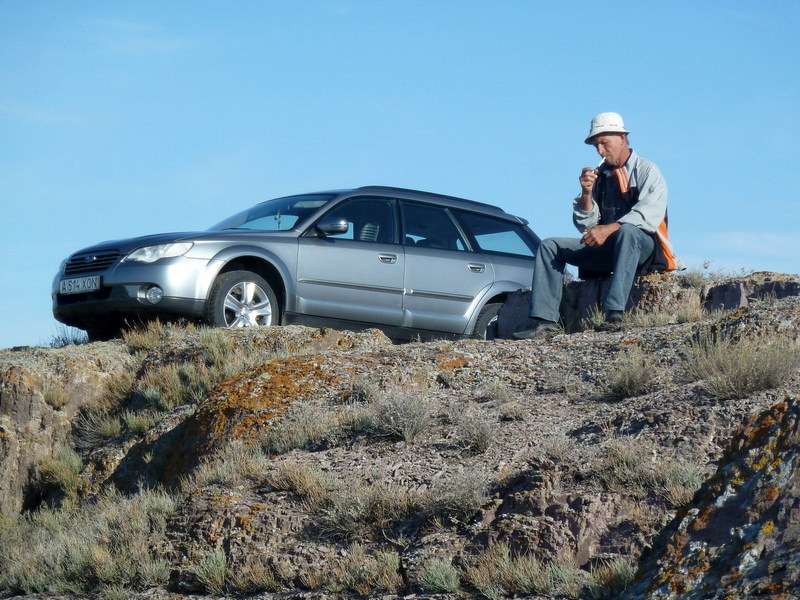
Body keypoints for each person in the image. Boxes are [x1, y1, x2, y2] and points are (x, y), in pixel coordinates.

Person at [513, 112, 680, 340]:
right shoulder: (599, 176)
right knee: (550, 245)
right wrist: (586, 193)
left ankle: (614, 313)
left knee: (629, 231)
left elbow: (649, 214)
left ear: (622, 138)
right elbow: (586, 226)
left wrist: (610, 228)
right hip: (609, 249)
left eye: (604, 143)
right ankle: (545, 321)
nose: (600, 151)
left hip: (646, 250)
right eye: (596, 145)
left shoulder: (647, 170)